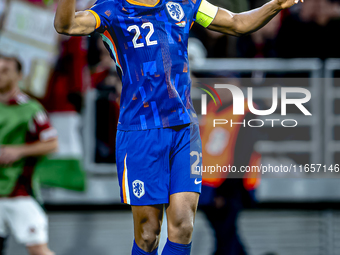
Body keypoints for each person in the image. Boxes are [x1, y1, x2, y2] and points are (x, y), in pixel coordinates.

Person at [54, 0, 303, 254]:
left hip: (184, 129)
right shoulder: (111, 9)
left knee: (183, 225)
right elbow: (66, 25)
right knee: (148, 234)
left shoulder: (186, 3)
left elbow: (237, 23)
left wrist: (275, 5)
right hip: (140, 132)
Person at [0, 56, 58, 255]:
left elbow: (52, 143)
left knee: (38, 249)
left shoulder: (30, 109)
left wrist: (19, 151)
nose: (0, 75)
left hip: (19, 191)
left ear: (19, 75)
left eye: (5, 70)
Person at [199, 82, 261, 255]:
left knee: (226, 239)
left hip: (228, 188)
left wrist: (225, 192)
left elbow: (242, 157)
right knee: (226, 237)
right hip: (207, 186)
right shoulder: (214, 108)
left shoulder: (246, 112)